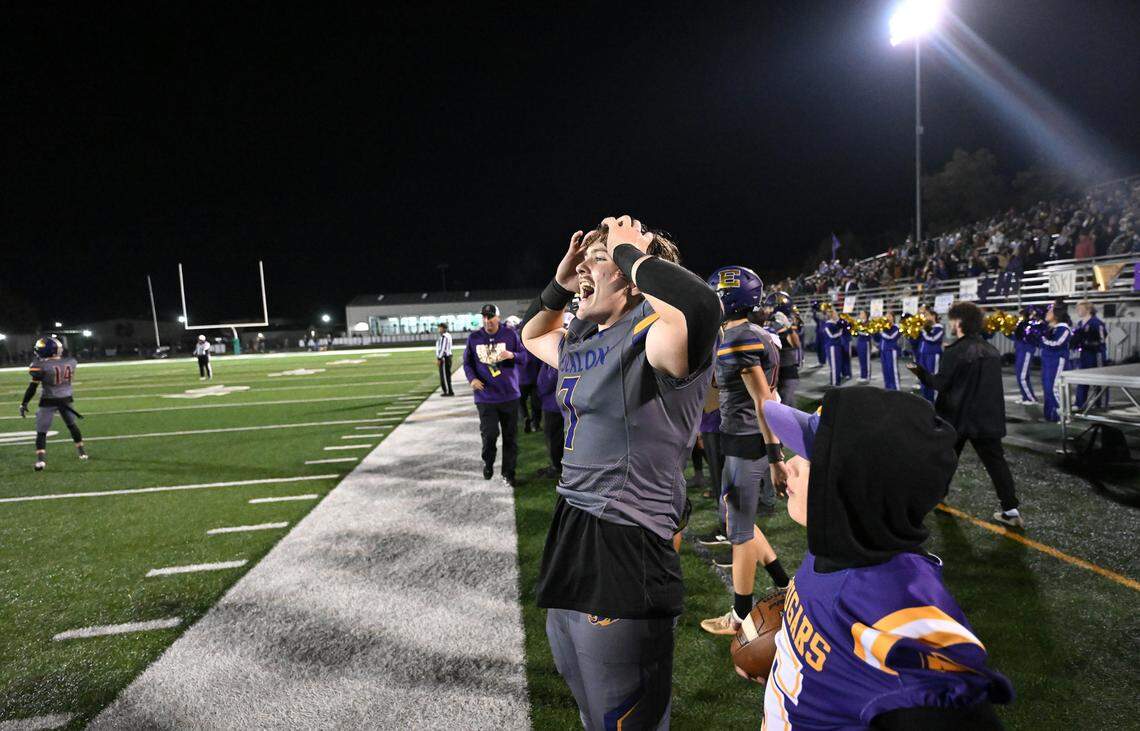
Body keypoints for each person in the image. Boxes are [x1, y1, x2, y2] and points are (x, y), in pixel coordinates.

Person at [520, 216, 721, 730]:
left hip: (625, 540)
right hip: (574, 528)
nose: (586, 265)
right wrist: (562, 284)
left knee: (625, 719)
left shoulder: (653, 335)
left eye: (599, 258)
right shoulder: (585, 336)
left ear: (634, 276)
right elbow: (532, 332)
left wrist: (631, 253)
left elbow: (700, 306)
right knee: (590, 709)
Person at [756, 389, 1013, 730]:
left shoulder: (903, 630)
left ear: (854, 485)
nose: (789, 465)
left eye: (809, 456)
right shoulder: (839, 545)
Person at [699, 266, 790, 636]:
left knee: (738, 530)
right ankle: (785, 582)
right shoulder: (750, 334)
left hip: (748, 442)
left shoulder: (739, 341)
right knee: (740, 521)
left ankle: (739, 615)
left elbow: (762, 402)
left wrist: (776, 459)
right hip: (742, 437)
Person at [908, 302, 1023, 528]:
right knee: (997, 464)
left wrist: (920, 372)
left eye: (952, 320)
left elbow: (941, 384)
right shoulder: (992, 351)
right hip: (987, 419)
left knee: (945, 458)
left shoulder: (954, 351)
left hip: (957, 418)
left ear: (959, 322)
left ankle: (938, 496)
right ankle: (1011, 510)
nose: (950, 324)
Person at [462, 303, 523, 485]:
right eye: (484, 317)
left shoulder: (510, 334)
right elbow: (467, 363)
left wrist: (512, 355)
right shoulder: (474, 337)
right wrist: (472, 379)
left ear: (498, 317)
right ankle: (488, 461)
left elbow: (525, 356)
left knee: (510, 437)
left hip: (509, 395)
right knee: (489, 435)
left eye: (491, 316)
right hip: (486, 397)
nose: (487, 320)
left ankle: (508, 473)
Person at [20, 337, 88, 471]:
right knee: (72, 425)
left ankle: (40, 461)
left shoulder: (40, 366)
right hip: (66, 399)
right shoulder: (71, 362)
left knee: (41, 432)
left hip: (48, 400)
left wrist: (24, 403)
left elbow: (32, 387)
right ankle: (82, 453)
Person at [1039, 303, 1073, 423]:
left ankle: (1064, 415)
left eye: (1050, 312)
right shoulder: (1050, 329)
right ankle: (1051, 414)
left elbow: (1057, 343)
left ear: (1057, 315)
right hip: (1048, 361)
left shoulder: (1064, 329)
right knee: (1047, 388)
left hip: (1057, 361)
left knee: (1055, 388)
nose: (1046, 314)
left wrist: (1041, 339)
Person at [1073, 301, 1109, 410]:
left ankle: (1101, 404)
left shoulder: (1096, 323)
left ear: (1088, 309)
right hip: (1084, 354)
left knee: (1098, 379)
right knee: (1082, 378)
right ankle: (1080, 403)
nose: (1077, 310)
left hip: (1096, 354)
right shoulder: (1080, 323)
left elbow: (1102, 340)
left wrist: (1087, 342)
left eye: (1080, 308)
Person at [534, 361, 564, 479]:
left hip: (554, 405)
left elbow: (545, 384)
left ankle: (557, 467)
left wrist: (540, 389)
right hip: (556, 403)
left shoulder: (554, 357)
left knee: (554, 439)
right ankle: (557, 465)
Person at [1012, 307, 1042, 405]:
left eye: (1022, 314)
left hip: (1026, 351)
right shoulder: (1021, 324)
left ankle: (1031, 398)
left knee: (1022, 376)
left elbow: (1030, 338)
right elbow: (1016, 337)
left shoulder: (1031, 325)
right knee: (1019, 374)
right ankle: (1025, 396)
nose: (1020, 316)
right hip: (1020, 351)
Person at [916, 309, 944, 402]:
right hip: (922, 354)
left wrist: (923, 331)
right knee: (923, 377)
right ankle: (925, 398)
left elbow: (933, 339)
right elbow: (917, 342)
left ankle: (935, 399)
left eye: (927, 315)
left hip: (933, 355)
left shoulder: (939, 327)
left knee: (933, 376)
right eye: (925, 315)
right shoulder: (925, 326)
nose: (926, 317)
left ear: (934, 316)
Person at [875, 312, 902, 391]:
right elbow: (877, 339)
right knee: (885, 370)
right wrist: (875, 331)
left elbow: (891, 337)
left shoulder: (896, 327)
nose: (887, 318)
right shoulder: (883, 327)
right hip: (883, 351)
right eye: (886, 316)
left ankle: (896, 389)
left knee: (892, 370)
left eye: (889, 316)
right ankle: (888, 387)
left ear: (893, 318)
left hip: (891, 351)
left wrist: (881, 330)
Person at [822, 308, 844, 387]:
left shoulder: (834, 324)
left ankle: (835, 381)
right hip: (832, 346)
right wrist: (840, 332)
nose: (837, 315)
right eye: (835, 314)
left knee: (837, 365)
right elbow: (831, 336)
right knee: (834, 366)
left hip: (836, 346)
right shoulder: (828, 325)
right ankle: (835, 383)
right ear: (832, 315)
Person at [435, 323, 455, 397]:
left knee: (445, 375)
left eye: (440, 328)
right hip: (446, 357)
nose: (439, 330)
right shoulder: (447, 336)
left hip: (444, 358)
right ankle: (448, 390)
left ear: (443, 328)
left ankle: (448, 391)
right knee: (446, 375)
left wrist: (439, 358)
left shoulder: (445, 337)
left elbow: (443, 348)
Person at [854, 310, 873, 382]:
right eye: (860, 313)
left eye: (862, 313)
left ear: (866, 315)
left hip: (866, 343)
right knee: (861, 360)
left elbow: (868, 333)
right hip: (859, 342)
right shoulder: (859, 322)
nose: (860, 314)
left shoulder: (869, 323)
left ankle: (867, 377)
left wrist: (859, 330)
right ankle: (863, 375)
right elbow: (855, 334)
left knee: (866, 360)